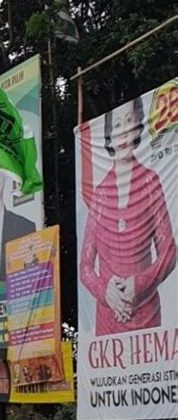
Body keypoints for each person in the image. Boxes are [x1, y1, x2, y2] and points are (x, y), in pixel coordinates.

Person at [80, 96, 176, 336]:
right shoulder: (100, 193)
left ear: (138, 130)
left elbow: (169, 252)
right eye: (117, 126)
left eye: (130, 122)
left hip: (146, 314)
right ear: (110, 136)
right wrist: (105, 291)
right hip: (108, 317)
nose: (123, 132)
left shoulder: (150, 183)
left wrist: (139, 284)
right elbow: (85, 266)